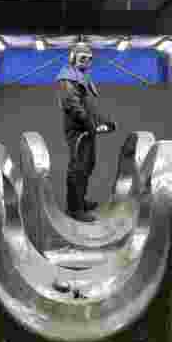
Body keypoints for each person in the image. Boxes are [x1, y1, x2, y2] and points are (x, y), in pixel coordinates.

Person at [56, 41, 116, 222]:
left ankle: (80, 201)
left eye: (89, 59)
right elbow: (72, 105)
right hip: (78, 130)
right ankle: (75, 209)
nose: (86, 62)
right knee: (78, 168)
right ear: (73, 58)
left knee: (88, 164)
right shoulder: (67, 78)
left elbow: (90, 106)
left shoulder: (83, 77)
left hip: (87, 128)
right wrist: (88, 122)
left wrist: (103, 121)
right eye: (83, 58)